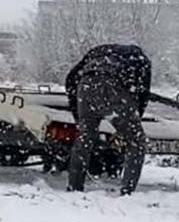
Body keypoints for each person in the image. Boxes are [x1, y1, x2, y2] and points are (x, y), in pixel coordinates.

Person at [64, 43, 152, 195]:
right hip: (113, 87)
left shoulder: (97, 51)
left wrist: (78, 116)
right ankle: (127, 191)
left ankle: (74, 186)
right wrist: (134, 120)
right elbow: (143, 93)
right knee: (136, 142)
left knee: (84, 139)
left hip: (85, 87)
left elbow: (71, 79)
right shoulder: (140, 59)